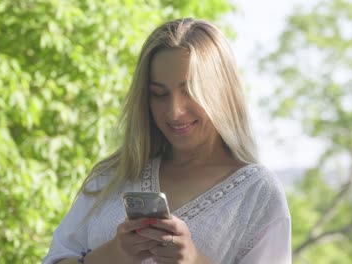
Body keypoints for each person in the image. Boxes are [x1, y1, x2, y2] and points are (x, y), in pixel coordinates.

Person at [42, 18, 291, 264]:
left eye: (190, 92)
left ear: (222, 92)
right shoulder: (114, 176)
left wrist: (195, 261)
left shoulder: (257, 193)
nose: (174, 111)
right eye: (159, 94)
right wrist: (115, 254)